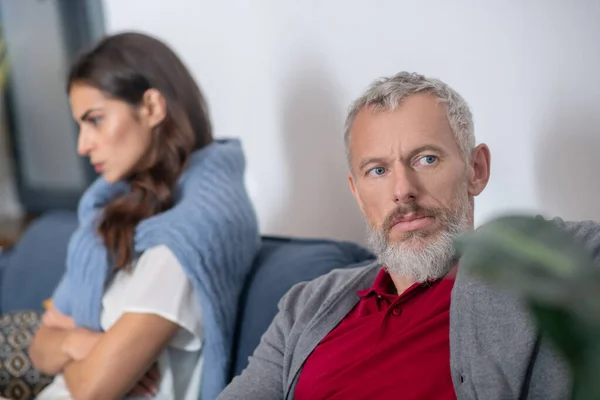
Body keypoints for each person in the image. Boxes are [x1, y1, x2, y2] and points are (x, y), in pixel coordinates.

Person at [218, 72, 600, 400]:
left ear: (476, 169)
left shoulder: (528, 268)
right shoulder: (306, 305)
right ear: (356, 192)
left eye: (426, 159)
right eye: (378, 171)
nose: (403, 190)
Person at [30, 32, 260, 400]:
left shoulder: (192, 233)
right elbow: (39, 347)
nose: (82, 144)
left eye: (95, 120)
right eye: (81, 126)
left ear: (152, 107)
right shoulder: (117, 215)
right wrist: (80, 343)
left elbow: (92, 389)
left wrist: (74, 353)